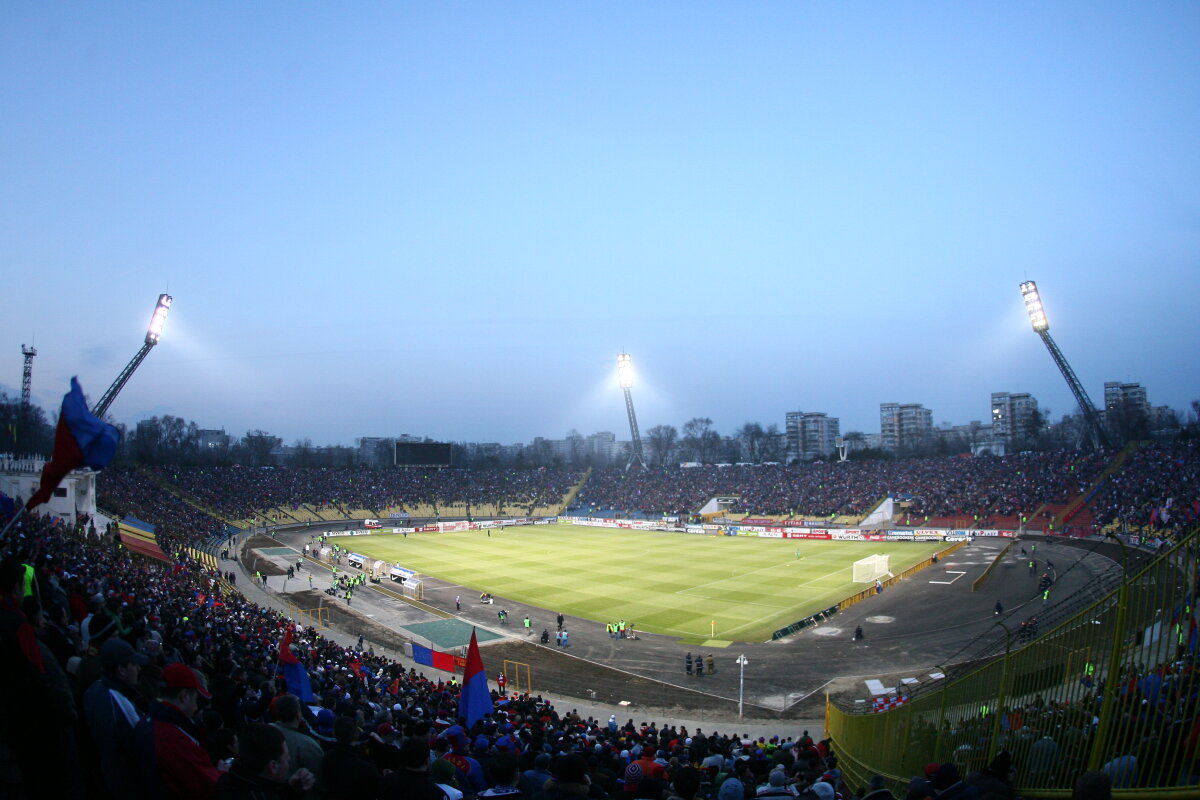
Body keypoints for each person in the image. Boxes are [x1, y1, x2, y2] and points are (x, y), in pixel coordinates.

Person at [135, 662, 221, 799]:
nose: (196, 707)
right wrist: (222, 773)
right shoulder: (172, 737)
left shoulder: (148, 721)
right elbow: (210, 786)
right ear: (184, 696)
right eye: (195, 699)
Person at [214, 723, 316, 800]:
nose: (289, 758)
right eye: (286, 756)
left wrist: (290, 788)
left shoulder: (229, 779)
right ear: (273, 766)